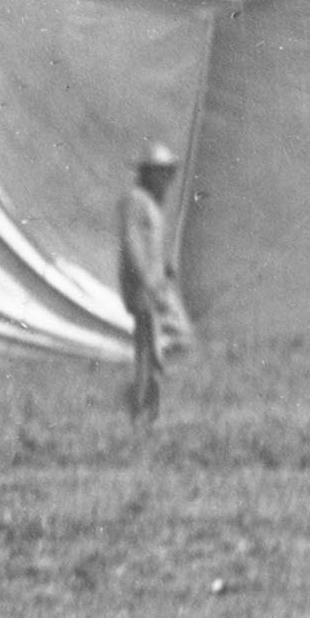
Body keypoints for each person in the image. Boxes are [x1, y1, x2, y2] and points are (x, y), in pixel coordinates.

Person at [117, 144, 191, 425]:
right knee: (150, 347)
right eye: (163, 173)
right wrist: (148, 281)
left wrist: (165, 269)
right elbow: (133, 244)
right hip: (143, 288)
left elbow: (153, 246)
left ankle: (146, 403)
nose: (168, 179)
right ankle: (142, 407)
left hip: (155, 285)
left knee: (156, 346)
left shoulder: (151, 203)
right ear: (149, 173)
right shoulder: (135, 201)